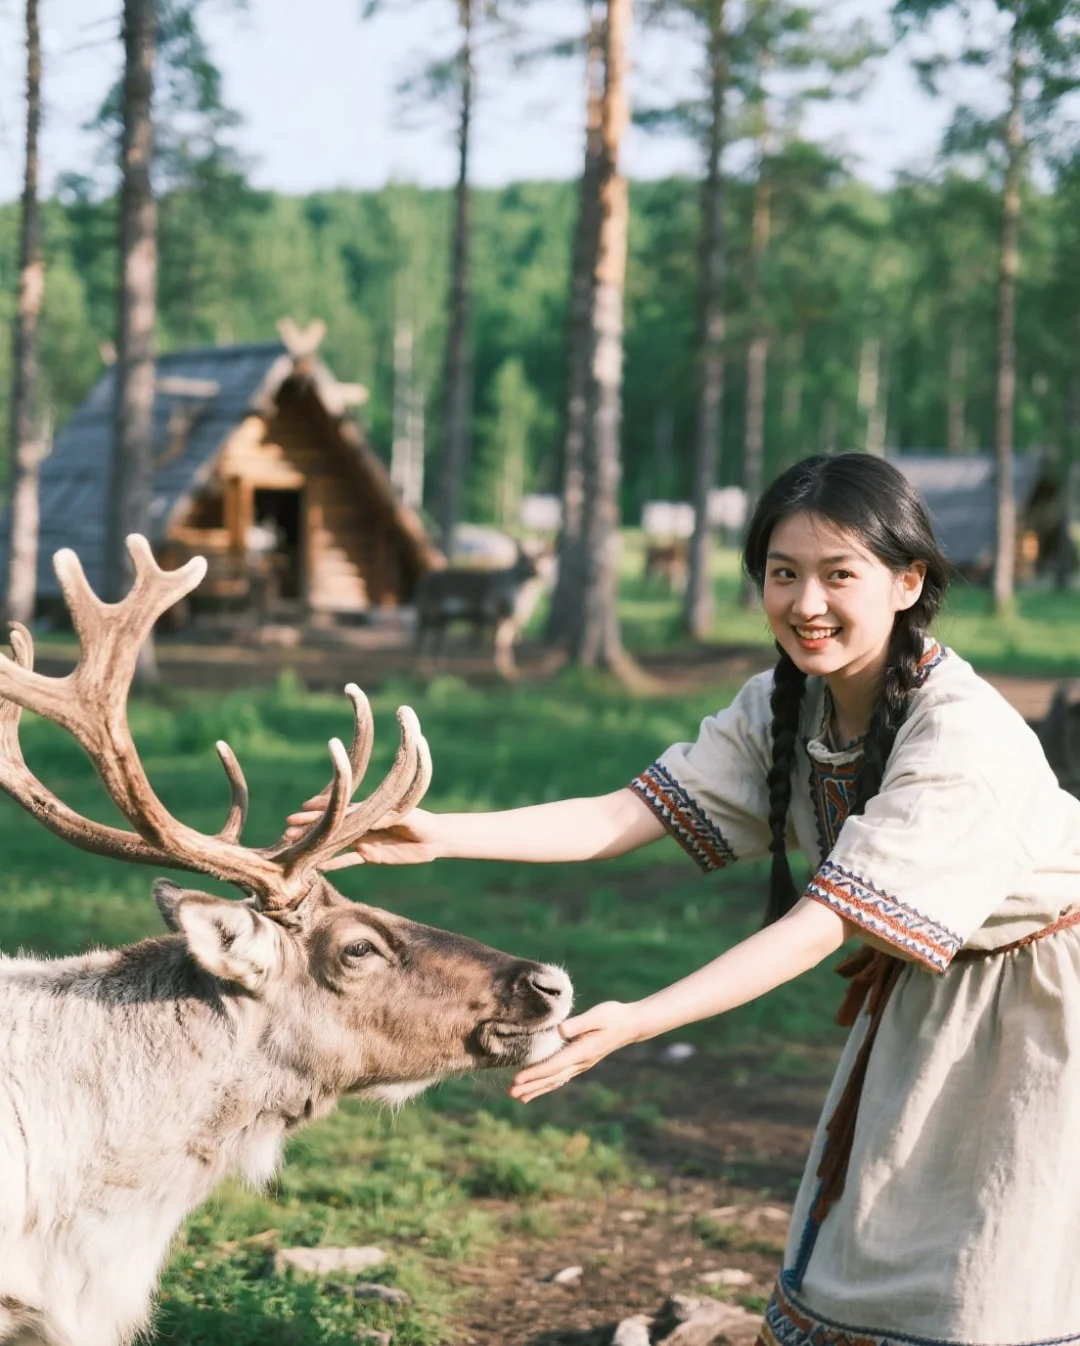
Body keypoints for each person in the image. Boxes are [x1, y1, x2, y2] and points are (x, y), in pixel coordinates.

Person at [288, 454, 1080, 1344]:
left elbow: (821, 927)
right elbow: (624, 814)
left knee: (1001, 1268)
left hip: (1046, 1010)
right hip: (930, 1000)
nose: (806, 603)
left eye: (838, 574)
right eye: (783, 575)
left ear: (908, 581)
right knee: (878, 1253)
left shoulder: (960, 740)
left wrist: (639, 1020)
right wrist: (439, 833)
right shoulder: (788, 703)